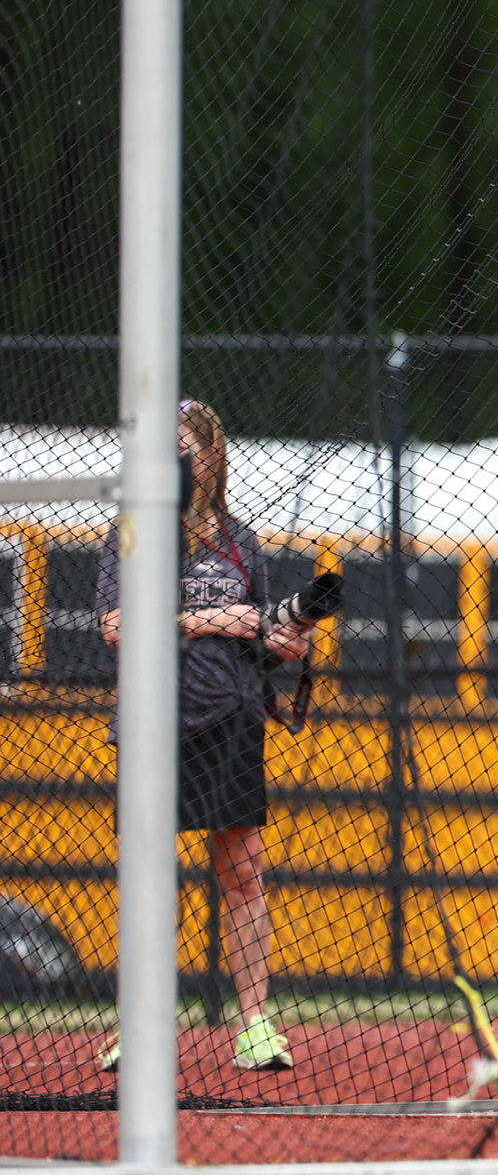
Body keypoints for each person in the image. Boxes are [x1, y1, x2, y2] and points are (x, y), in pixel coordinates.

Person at [96, 400, 315, 1071]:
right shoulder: (131, 531)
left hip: (233, 718)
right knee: (150, 879)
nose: (174, 457)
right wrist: (209, 617)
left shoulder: (242, 542)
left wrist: (288, 640)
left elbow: (263, 639)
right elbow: (115, 627)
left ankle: (255, 1026)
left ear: (212, 455)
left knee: (243, 873)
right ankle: (141, 1028)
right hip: (153, 722)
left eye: (185, 446)